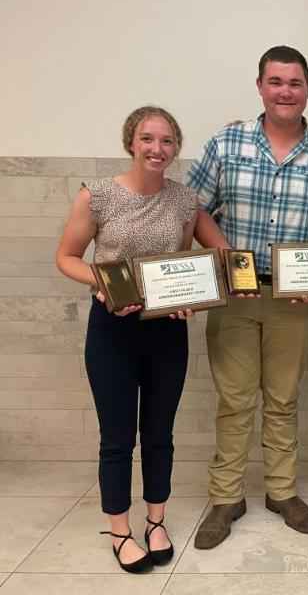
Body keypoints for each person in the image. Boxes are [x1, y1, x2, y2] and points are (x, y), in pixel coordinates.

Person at [188, 45, 308, 548]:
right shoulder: (226, 142)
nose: (286, 91)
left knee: (282, 398)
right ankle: (226, 498)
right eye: (276, 81)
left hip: (291, 303)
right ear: (260, 85)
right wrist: (228, 257)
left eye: (295, 82)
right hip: (235, 298)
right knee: (235, 401)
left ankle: (282, 492)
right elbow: (194, 209)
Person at [55, 106, 199, 573]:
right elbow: (67, 256)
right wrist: (100, 284)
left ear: (175, 148)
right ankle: (120, 530)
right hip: (113, 331)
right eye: (147, 139)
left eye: (166, 141)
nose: (157, 149)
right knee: (117, 438)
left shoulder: (185, 201)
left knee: (160, 434)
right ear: (130, 143)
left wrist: (194, 294)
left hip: (166, 331)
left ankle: (156, 521)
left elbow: (198, 260)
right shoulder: (96, 196)